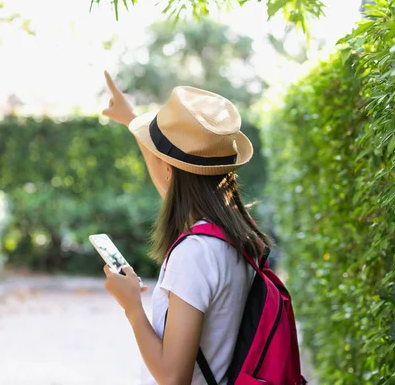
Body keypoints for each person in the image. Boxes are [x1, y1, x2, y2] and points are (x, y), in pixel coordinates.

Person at [101, 71, 272, 385]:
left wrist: (132, 307)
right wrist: (131, 121)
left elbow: (172, 376)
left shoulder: (195, 254)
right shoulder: (235, 234)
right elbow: (171, 185)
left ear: (169, 169)